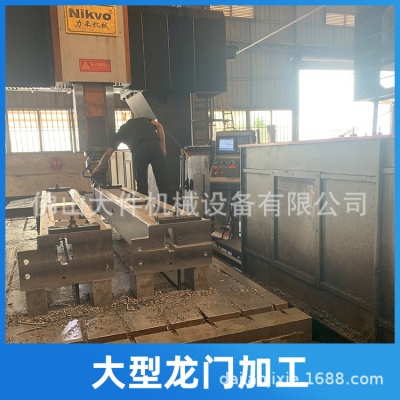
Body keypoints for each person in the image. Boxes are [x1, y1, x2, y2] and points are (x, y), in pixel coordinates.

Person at [91, 117, 172, 204]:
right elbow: (159, 126)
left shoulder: (122, 131)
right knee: (163, 181)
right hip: (156, 146)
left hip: (139, 150)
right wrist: (163, 147)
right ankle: (169, 208)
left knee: (142, 184)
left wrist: (98, 168)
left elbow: (108, 153)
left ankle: (144, 208)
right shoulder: (144, 120)